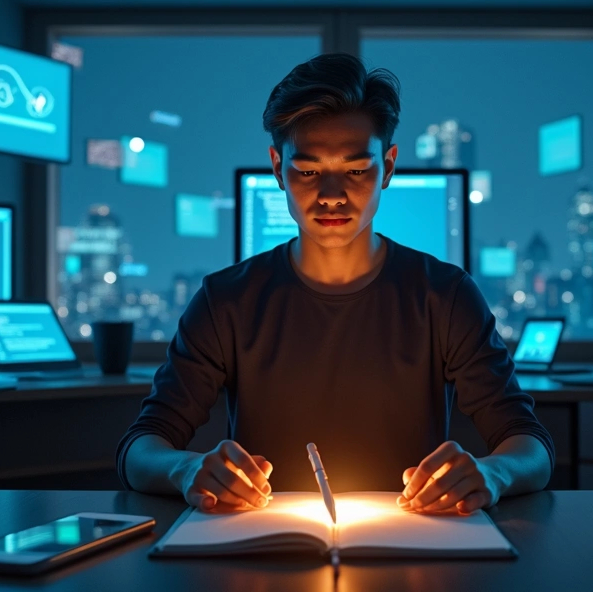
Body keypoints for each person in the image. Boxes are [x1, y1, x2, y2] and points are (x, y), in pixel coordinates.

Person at [118, 53, 554, 516]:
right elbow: (141, 447)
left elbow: (530, 444)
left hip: (415, 547)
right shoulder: (226, 300)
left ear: (387, 167)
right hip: (262, 552)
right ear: (276, 167)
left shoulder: (444, 295)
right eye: (307, 171)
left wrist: (492, 472)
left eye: (355, 170)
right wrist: (186, 469)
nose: (330, 194)